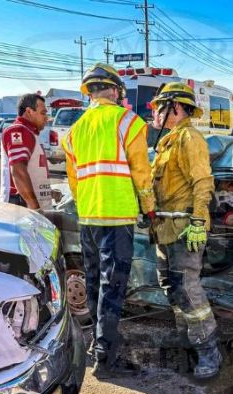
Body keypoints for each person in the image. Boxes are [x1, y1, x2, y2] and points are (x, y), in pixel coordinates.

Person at [61, 63, 155, 378]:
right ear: (115, 91)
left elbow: (74, 181)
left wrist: (87, 204)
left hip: (88, 217)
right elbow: (141, 173)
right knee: (112, 287)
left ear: (90, 93)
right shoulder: (128, 121)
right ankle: (106, 359)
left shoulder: (74, 131)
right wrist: (149, 208)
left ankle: (98, 345)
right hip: (116, 217)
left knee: (94, 283)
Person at [149, 82, 221, 379]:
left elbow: (203, 182)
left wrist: (199, 222)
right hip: (164, 229)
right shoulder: (169, 140)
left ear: (175, 108)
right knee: (172, 286)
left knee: (188, 291)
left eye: (159, 107)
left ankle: (208, 352)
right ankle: (187, 340)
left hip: (184, 230)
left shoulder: (190, 138)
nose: (155, 112)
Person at [0, 93, 51, 210]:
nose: (46, 118)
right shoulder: (19, 130)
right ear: (29, 111)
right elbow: (18, 171)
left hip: (29, 209)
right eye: (43, 113)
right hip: (22, 210)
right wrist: (35, 209)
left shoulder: (30, 133)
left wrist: (48, 193)